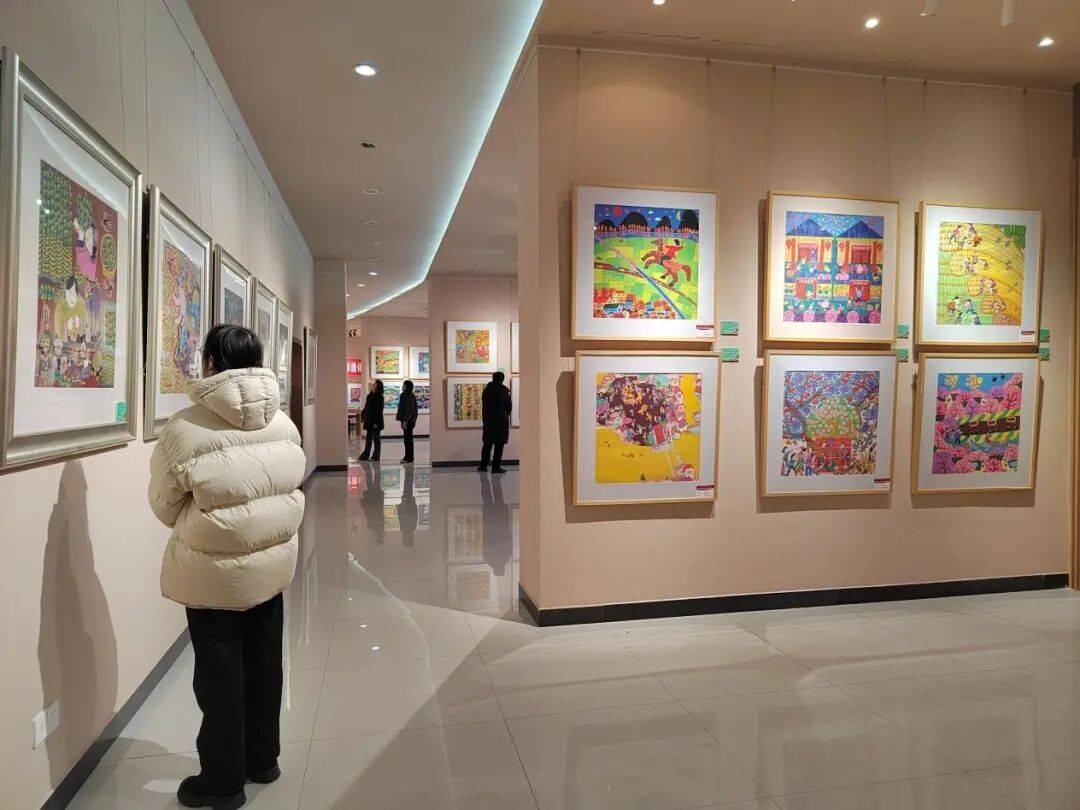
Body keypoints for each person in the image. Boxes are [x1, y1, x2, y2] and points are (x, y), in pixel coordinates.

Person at [148, 324, 306, 810]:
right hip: (270, 570)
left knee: (219, 678)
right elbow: (289, 486)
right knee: (266, 667)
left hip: (213, 576)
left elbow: (164, 504)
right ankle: (263, 759)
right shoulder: (284, 423)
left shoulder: (184, 428)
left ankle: (222, 781)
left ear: (212, 362)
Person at [479, 371, 512, 474]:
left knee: (487, 445)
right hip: (501, 422)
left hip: (489, 421)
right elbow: (509, 406)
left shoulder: (487, 390)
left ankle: (483, 466)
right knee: (499, 445)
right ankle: (496, 467)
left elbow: (484, 405)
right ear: (502, 379)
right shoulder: (504, 391)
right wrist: (505, 414)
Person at [358, 379, 385, 462]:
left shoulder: (380, 397)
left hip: (376, 421)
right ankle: (365, 455)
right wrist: (362, 416)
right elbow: (366, 407)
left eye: (374, 384)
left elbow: (379, 411)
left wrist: (376, 422)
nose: (373, 385)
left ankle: (376, 456)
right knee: (368, 438)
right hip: (369, 420)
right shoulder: (369, 396)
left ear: (378, 386)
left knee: (376, 439)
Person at [396, 379, 418, 463]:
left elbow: (409, 410)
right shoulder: (406, 395)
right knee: (407, 439)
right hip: (407, 420)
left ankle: (409, 458)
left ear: (406, 386)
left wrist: (405, 421)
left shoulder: (409, 395)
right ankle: (407, 456)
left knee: (408, 440)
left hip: (408, 421)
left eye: (403, 385)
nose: (402, 386)